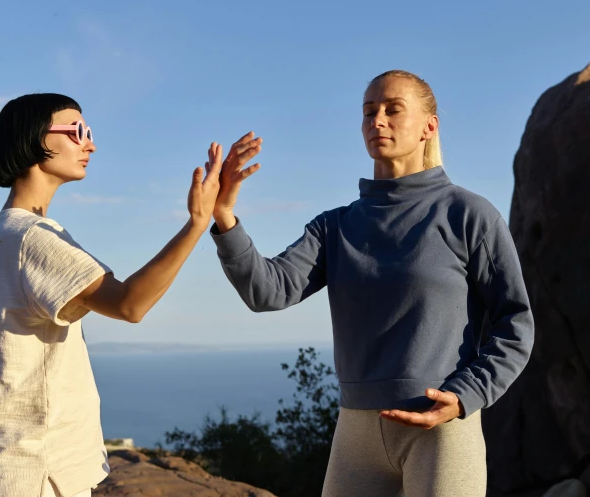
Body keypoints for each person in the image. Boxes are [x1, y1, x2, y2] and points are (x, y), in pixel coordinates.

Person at [208, 71, 535, 496]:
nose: (377, 120)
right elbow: (268, 291)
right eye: (368, 112)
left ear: (428, 126)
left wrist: (464, 395)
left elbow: (516, 323)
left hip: (439, 430)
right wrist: (225, 216)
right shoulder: (337, 226)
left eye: (392, 110)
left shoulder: (468, 214)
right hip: (356, 431)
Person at [0, 93, 223, 497]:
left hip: (14, 470)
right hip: (37, 475)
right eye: (78, 131)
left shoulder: (2, 232)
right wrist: (196, 224)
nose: (90, 144)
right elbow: (130, 304)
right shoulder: (31, 237)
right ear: (36, 138)